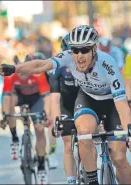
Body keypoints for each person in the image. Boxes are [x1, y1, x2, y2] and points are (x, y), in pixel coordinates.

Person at [0, 25, 131, 185]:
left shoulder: (108, 65)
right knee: (84, 132)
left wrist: (130, 135)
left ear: (94, 49)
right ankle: (92, 181)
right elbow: (41, 65)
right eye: (75, 50)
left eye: (85, 50)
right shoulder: (68, 56)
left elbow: (122, 104)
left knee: (119, 158)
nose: (79, 56)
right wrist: (15, 68)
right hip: (88, 99)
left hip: (111, 103)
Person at [0, 53, 51, 184]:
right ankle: (15, 138)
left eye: (25, 71)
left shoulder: (38, 74)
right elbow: (5, 97)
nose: (22, 74)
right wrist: (5, 115)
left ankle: (41, 166)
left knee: (39, 129)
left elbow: (46, 98)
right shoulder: (10, 74)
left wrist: (48, 115)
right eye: (20, 71)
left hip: (36, 99)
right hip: (19, 97)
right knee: (10, 101)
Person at [49, 33, 80, 184]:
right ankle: (71, 180)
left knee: (92, 137)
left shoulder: (89, 63)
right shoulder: (58, 67)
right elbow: (55, 98)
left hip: (86, 103)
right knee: (68, 144)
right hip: (66, 106)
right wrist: (57, 121)